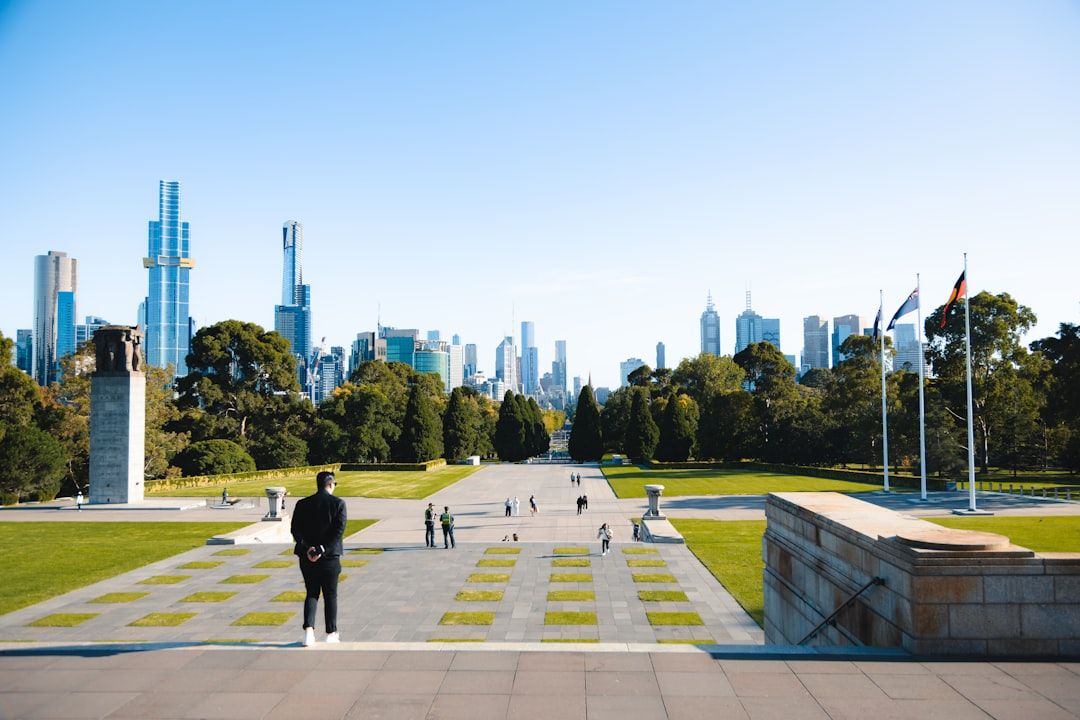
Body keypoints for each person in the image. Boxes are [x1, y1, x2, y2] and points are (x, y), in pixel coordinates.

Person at [290, 470, 346, 647]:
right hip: (329, 556)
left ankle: (309, 632)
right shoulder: (338, 503)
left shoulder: (302, 503)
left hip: (307, 557)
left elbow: (295, 530)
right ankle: (331, 633)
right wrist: (322, 549)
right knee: (330, 595)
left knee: (312, 592)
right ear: (330, 484)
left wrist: (309, 549)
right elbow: (338, 531)